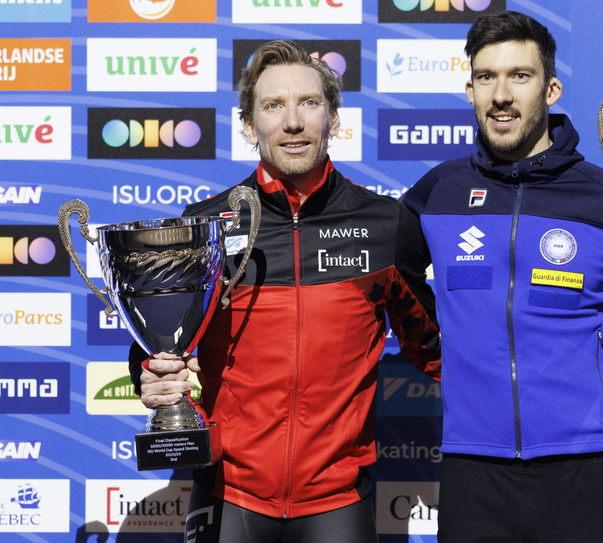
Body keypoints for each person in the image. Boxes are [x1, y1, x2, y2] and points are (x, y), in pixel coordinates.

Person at [401, 11, 603, 543]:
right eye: (485, 77)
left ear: (551, 88)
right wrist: (438, 347)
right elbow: (392, 280)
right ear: (469, 89)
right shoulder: (439, 192)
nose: (501, 94)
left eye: (520, 76)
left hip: (590, 462)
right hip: (474, 466)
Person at [128, 40, 441, 543]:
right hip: (230, 495)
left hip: (339, 500)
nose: (292, 123)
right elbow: (155, 346)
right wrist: (150, 378)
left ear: (333, 119)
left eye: (309, 103)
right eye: (273, 106)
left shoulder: (385, 225)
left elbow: (436, 349)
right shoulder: (203, 226)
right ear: (249, 125)